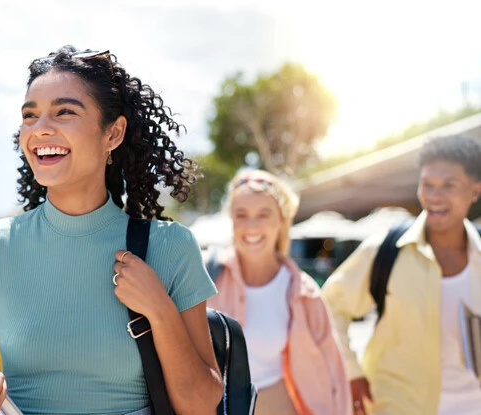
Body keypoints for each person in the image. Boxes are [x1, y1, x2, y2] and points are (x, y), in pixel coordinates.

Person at [0, 46, 223, 415]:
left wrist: (160, 310)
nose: (40, 129)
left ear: (113, 133)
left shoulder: (170, 246)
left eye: (64, 112)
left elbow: (200, 405)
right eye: (29, 116)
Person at [322, 135, 481, 415]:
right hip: (395, 406)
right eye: (427, 185)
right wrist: (350, 370)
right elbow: (328, 306)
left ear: (475, 190)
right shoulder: (385, 249)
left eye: (449, 186)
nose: (434, 196)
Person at [205, 169, 351, 415]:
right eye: (242, 215)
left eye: (264, 214)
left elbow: (334, 371)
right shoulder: (205, 275)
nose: (252, 226)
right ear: (231, 220)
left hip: (278, 405)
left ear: (282, 221)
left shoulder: (303, 292)